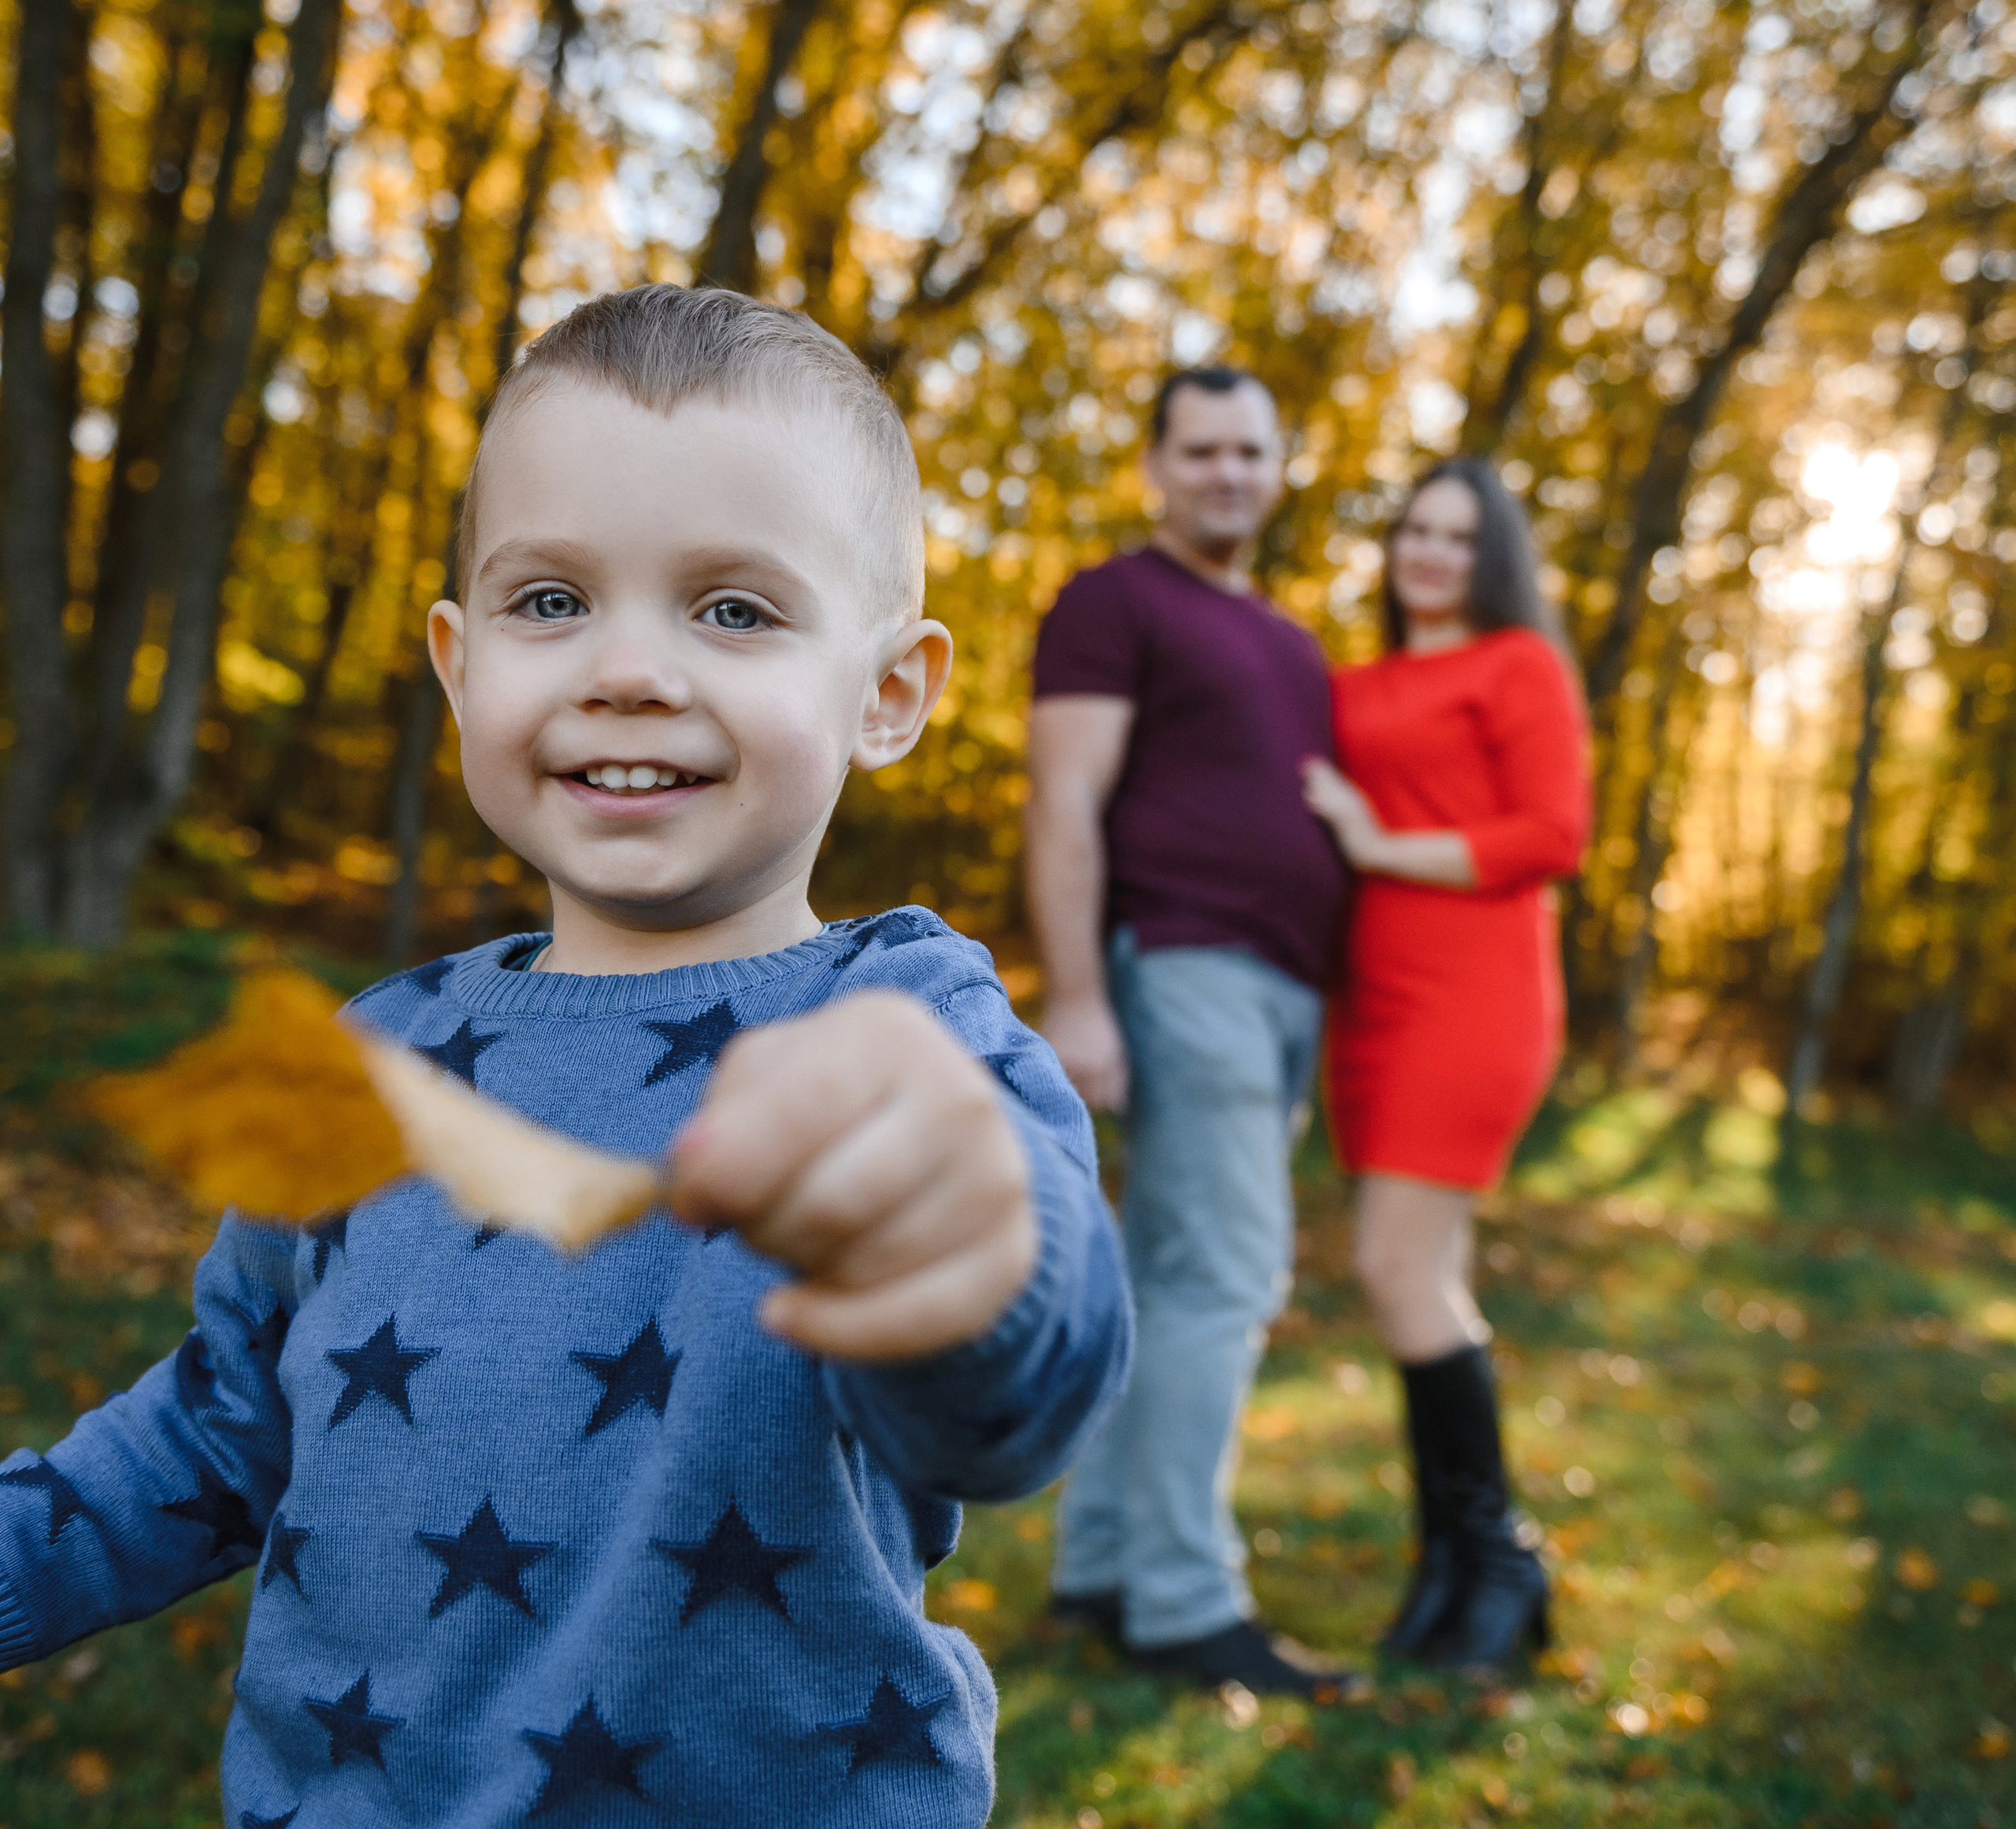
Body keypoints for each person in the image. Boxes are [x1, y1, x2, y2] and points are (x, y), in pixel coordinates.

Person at [0, 287, 1132, 1826]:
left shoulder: (906, 1025)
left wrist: (980, 1243)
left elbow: (1022, 1390)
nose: (628, 669)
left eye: (732, 608)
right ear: (459, 664)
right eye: (552, 602)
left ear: (887, 694)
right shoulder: (371, 1058)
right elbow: (215, 1426)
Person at [1025, 366, 1354, 1694]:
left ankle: (1099, 1573)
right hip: (1182, 966)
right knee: (1225, 1277)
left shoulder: (1289, 642)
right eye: (1203, 450)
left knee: (1171, 1285)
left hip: (1282, 993)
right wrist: (1081, 993)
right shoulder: (1112, 602)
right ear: (1156, 465)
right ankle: (1185, 1600)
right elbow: (1064, 801)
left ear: (1279, 469)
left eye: (1251, 451)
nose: (1228, 473)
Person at [1301, 454, 1590, 1676]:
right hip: (1369, 1005)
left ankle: (1502, 1558)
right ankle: (1456, 1574)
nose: (1428, 551)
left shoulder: (1518, 665)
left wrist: (1378, 840)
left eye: (1458, 536)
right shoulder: (1349, 681)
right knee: (1428, 1276)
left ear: (1493, 558)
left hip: (1472, 995)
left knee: (1393, 1263)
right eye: (1414, 528)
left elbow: (1553, 833)